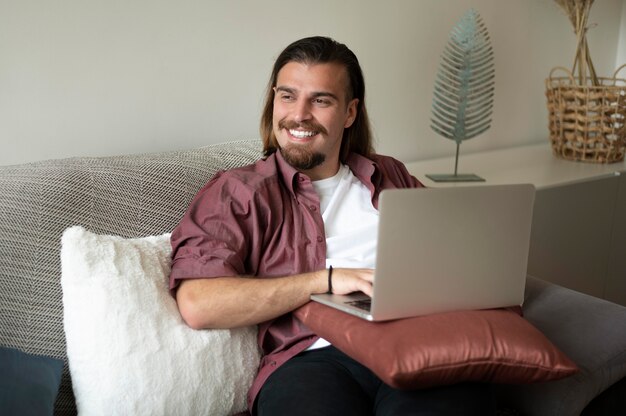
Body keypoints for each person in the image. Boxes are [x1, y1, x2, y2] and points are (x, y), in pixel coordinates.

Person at [169, 36, 495, 415]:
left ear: (350, 112)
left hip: (419, 343)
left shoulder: (389, 174)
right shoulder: (239, 192)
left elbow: (454, 251)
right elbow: (198, 304)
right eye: (287, 96)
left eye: (320, 100)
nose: (299, 114)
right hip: (313, 359)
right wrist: (325, 280)